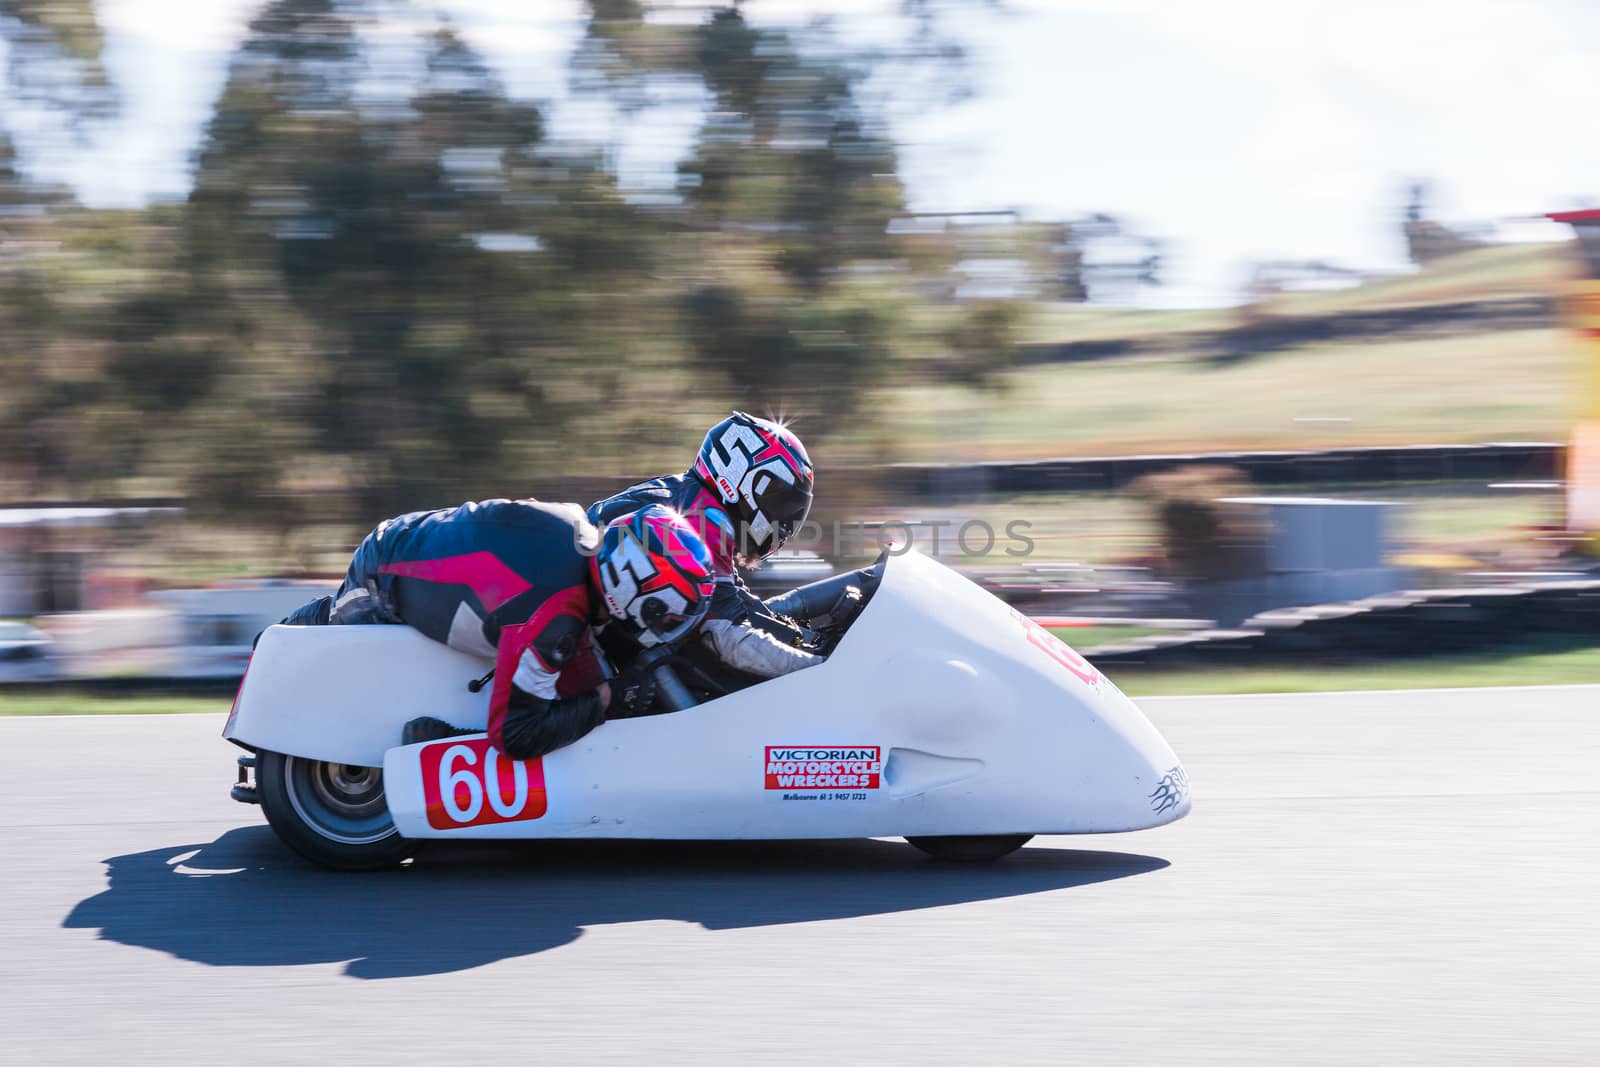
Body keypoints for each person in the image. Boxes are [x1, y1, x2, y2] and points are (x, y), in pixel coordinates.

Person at [280, 500, 715, 760]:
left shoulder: (581, 529)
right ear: (632, 589)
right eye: (668, 616)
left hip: (401, 539)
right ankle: (442, 744)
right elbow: (515, 735)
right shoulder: (557, 618)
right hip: (379, 584)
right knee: (580, 708)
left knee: (592, 696)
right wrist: (605, 698)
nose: (670, 627)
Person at [589, 412, 831, 679]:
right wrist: (823, 668)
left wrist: (801, 636)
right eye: (782, 504)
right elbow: (727, 635)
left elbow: (736, 600)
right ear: (743, 480)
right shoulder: (701, 518)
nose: (784, 521)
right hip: (581, 651)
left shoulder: (687, 495)